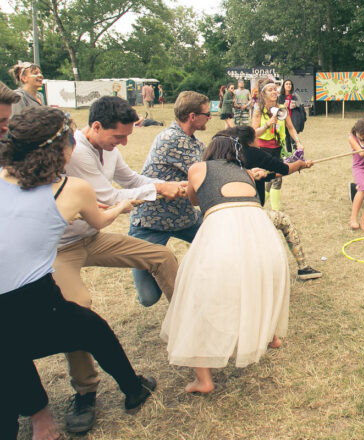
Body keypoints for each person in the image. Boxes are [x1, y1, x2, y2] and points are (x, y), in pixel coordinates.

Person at [0, 107, 157, 440]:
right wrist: (122, 206)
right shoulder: (74, 189)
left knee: (10, 354)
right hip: (35, 302)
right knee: (92, 328)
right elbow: (99, 221)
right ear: (60, 149)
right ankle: (133, 388)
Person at [54, 96, 181, 434]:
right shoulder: (77, 151)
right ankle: (85, 391)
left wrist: (160, 187)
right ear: (95, 127)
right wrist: (160, 188)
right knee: (75, 309)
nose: (124, 142)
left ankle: (188, 328)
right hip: (63, 247)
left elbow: (128, 179)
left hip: (94, 237)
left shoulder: (109, 147)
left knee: (161, 256)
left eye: (126, 136)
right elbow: (110, 198)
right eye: (118, 136)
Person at [160, 134, 290, 394]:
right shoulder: (246, 172)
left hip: (223, 229)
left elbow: (195, 200)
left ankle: (204, 379)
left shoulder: (198, 168)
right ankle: (272, 336)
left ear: (210, 151)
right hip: (261, 232)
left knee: (196, 294)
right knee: (260, 279)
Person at [216, 125, 322, 280]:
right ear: (251, 140)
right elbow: (284, 168)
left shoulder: (228, 155)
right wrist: (299, 164)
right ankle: (303, 268)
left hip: (226, 212)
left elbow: (268, 175)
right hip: (248, 213)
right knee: (284, 221)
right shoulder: (253, 153)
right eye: (256, 137)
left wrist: (300, 167)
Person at [129, 91, 210, 258]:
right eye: (207, 114)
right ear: (192, 116)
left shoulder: (192, 141)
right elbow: (207, 173)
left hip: (183, 217)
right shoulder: (173, 139)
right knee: (148, 282)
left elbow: (212, 162)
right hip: (152, 221)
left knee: (219, 244)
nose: (210, 117)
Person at [252, 77, 305, 211]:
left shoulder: (282, 109)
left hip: (278, 148)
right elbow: (253, 134)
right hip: (262, 149)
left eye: (275, 89)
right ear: (263, 94)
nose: (274, 92)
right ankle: (275, 212)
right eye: (270, 90)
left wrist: (298, 142)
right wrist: (267, 124)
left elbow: (291, 128)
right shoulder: (258, 110)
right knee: (275, 178)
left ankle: (259, 206)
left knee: (273, 178)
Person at [278, 79, 307, 153]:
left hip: (294, 119)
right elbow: (277, 108)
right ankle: (290, 153)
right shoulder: (280, 96)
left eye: (290, 84)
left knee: (293, 137)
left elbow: (301, 105)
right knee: (287, 138)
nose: (288, 85)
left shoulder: (295, 95)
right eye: (287, 84)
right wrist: (283, 106)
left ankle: (297, 151)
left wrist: (295, 105)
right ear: (283, 86)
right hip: (284, 119)